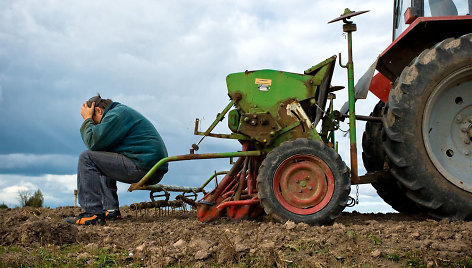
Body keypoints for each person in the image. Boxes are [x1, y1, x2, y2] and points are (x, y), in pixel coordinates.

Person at [66, 94, 168, 225]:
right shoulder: (120, 112)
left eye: (94, 121)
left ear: (98, 110)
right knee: (102, 155)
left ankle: (92, 213)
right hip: (150, 166)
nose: (95, 125)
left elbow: (92, 142)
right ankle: (111, 209)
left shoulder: (116, 115)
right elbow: (100, 147)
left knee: (87, 157)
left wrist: (87, 120)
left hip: (144, 165)